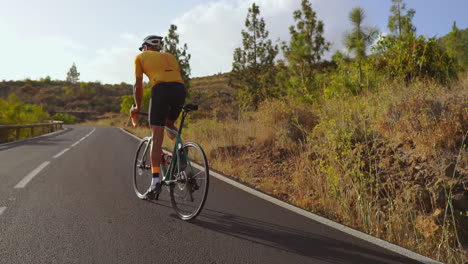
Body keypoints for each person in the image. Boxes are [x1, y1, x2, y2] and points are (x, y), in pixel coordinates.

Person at [130, 35, 187, 199]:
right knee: (169, 123)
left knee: (156, 135)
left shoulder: (140, 57)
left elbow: (138, 85)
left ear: (146, 47)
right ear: (159, 47)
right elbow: (174, 78)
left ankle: (155, 182)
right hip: (180, 90)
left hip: (161, 90)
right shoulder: (170, 57)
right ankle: (180, 153)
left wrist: (137, 107)